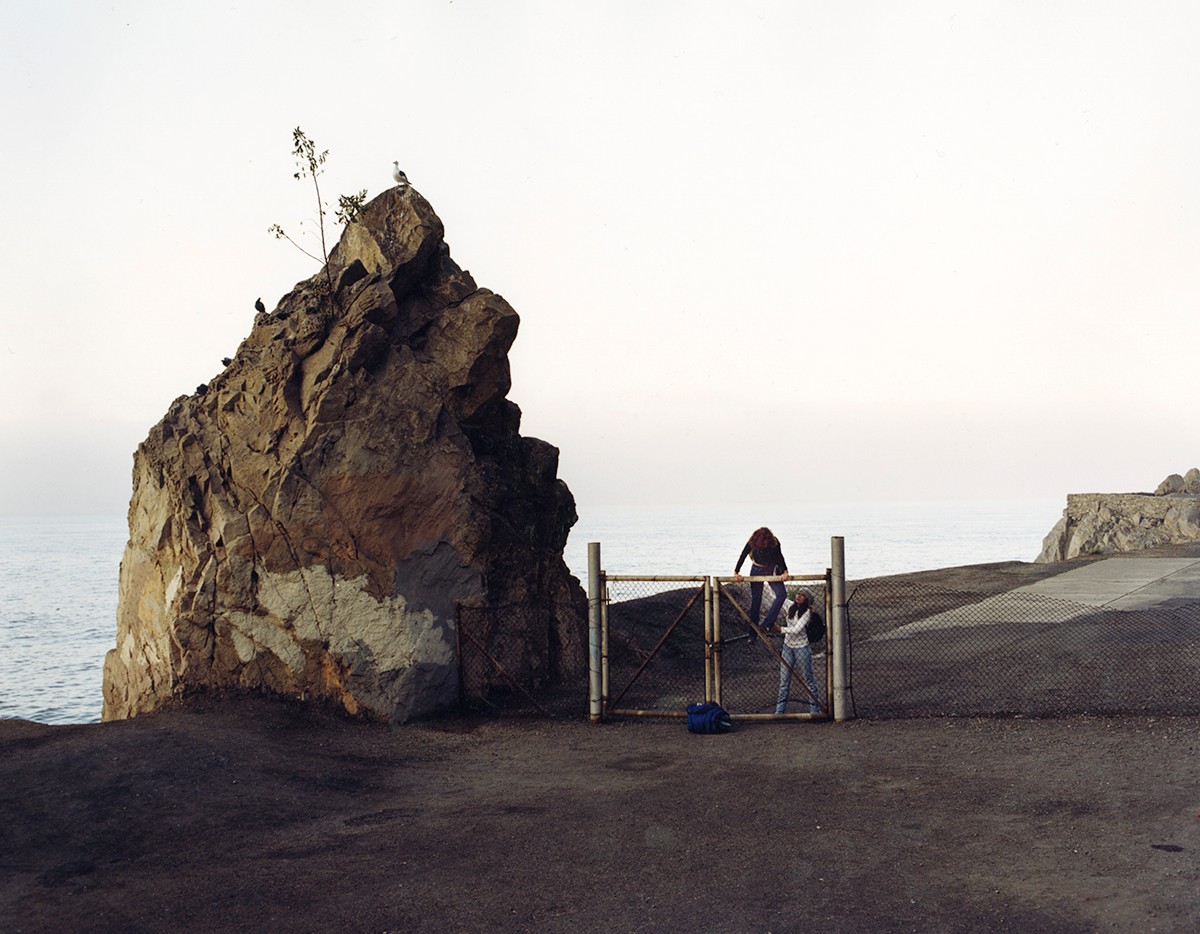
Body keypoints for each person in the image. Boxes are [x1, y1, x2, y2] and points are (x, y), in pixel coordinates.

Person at [733, 526, 789, 633]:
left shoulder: (774, 542)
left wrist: (785, 571)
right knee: (756, 601)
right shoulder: (752, 542)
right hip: (757, 569)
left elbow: (779, 557)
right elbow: (743, 555)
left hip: (771, 569)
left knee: (781, 594)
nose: (765, 545)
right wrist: (736, 572)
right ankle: (752, 634)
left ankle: (767, 624)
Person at [775, 588, 821, 715]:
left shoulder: (806, 612)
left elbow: (796, 629)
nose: (799, 596)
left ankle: (815, 710)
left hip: (802, 647)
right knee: (784, 681)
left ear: (807, 599)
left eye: (803, 595)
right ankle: (779, 711)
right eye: (798, 594)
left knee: (808, 679)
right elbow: (779, 596)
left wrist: (780, 629)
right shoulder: (790, 606)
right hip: (787, 647)